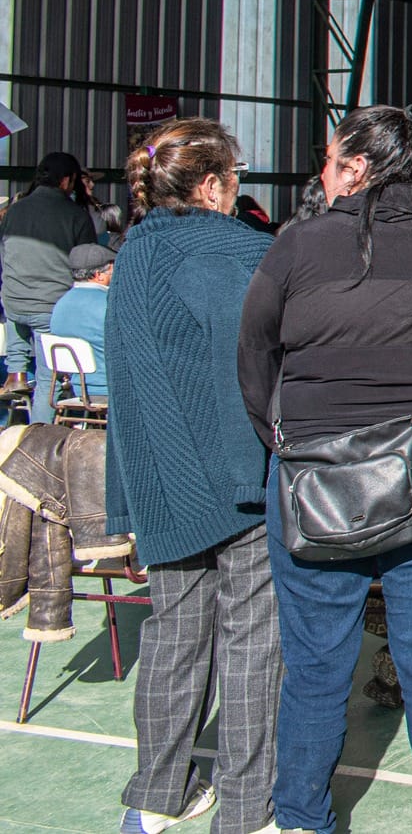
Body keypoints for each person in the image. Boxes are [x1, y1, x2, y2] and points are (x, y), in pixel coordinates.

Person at [239, 103, 412, 834]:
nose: (322, 174)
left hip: (315, 464)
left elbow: (255, 351)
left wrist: (287, 435)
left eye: (330, 160)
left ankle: (300, 818)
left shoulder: (298, 244)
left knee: (318, 663)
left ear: (355, 168)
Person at [103, 120, 279, 834]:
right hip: (242, 476)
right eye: (236, 174)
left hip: (162, 480)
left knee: (173, 639)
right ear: (211, 184)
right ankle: (243, 810)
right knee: (250, 646)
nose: (241, 187)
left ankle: (156, 795)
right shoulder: (245, 252)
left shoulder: (131, 254)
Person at [2, 152, 97, 422]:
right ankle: (36, 445)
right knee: (48, 382)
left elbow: (3, 252)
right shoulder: (74, 214)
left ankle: (16, 372)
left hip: (13, 302)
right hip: (49, 306)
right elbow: (86, 262)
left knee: (18, 341)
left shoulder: (15, 209)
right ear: (66, 180)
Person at [46, 243, 115, 401]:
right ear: (99, 275)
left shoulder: (60, 304)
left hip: (80, 388)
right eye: (113, 270)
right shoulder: (110, 304)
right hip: (112, 388)